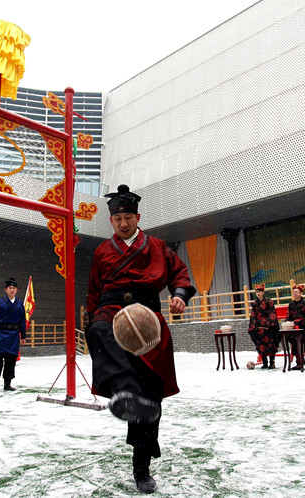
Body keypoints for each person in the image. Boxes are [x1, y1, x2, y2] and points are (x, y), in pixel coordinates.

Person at [85, 184, 196, 494]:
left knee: (150, 397)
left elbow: (181, 275)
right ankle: (123, 390)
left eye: (128, 217)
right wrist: (92, 318)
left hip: (148, 316)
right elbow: (94, 291)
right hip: (110, 309)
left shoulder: (159, 246)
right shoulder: (102, 252)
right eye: (117, 218)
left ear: (137, 217)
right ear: (111, 221)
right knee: (98, 329)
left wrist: (179, 296)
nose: (123, 223)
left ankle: (141, 467)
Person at [0, 278, 27, 393]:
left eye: (14, 288)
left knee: (11, 360)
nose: (12, 290)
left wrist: (23, 335)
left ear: (16, 290)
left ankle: (7, 384)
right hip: (0, 334)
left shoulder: (19, 304)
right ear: (6, 289)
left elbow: (22, 321)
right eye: (10, 288)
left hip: (13, 335)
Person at [248, 283, 280, 369]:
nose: (258, 294)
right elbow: (253, 315)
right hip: (259, 328)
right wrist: (254, 325)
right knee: (261, 345)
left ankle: (272, 363)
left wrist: (268, 324)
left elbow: (272, 313)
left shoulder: (268, 301)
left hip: (268, 327)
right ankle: (265, 363)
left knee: (271, 344)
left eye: (260, 292)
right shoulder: (255, 303)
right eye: (257, 292)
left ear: (263, 292)